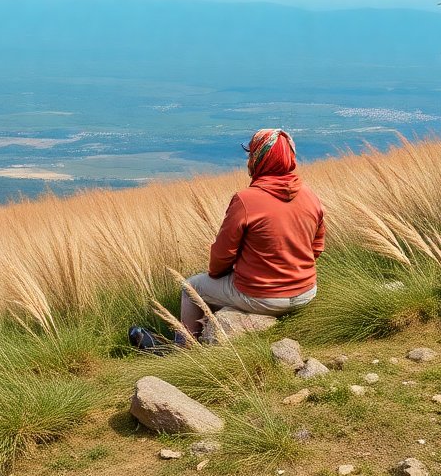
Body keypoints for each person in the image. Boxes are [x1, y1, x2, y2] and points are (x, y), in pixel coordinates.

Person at [130, 128, 325, 351]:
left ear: (260, 160)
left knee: (191, 287)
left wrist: (224, 273)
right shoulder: (310, 196)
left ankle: (184, 347)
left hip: (264, 297)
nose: (249, 161)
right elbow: (316, 249)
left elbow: (221, 256)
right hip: (306, 292)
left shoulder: (246, 200)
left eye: (252, 155)